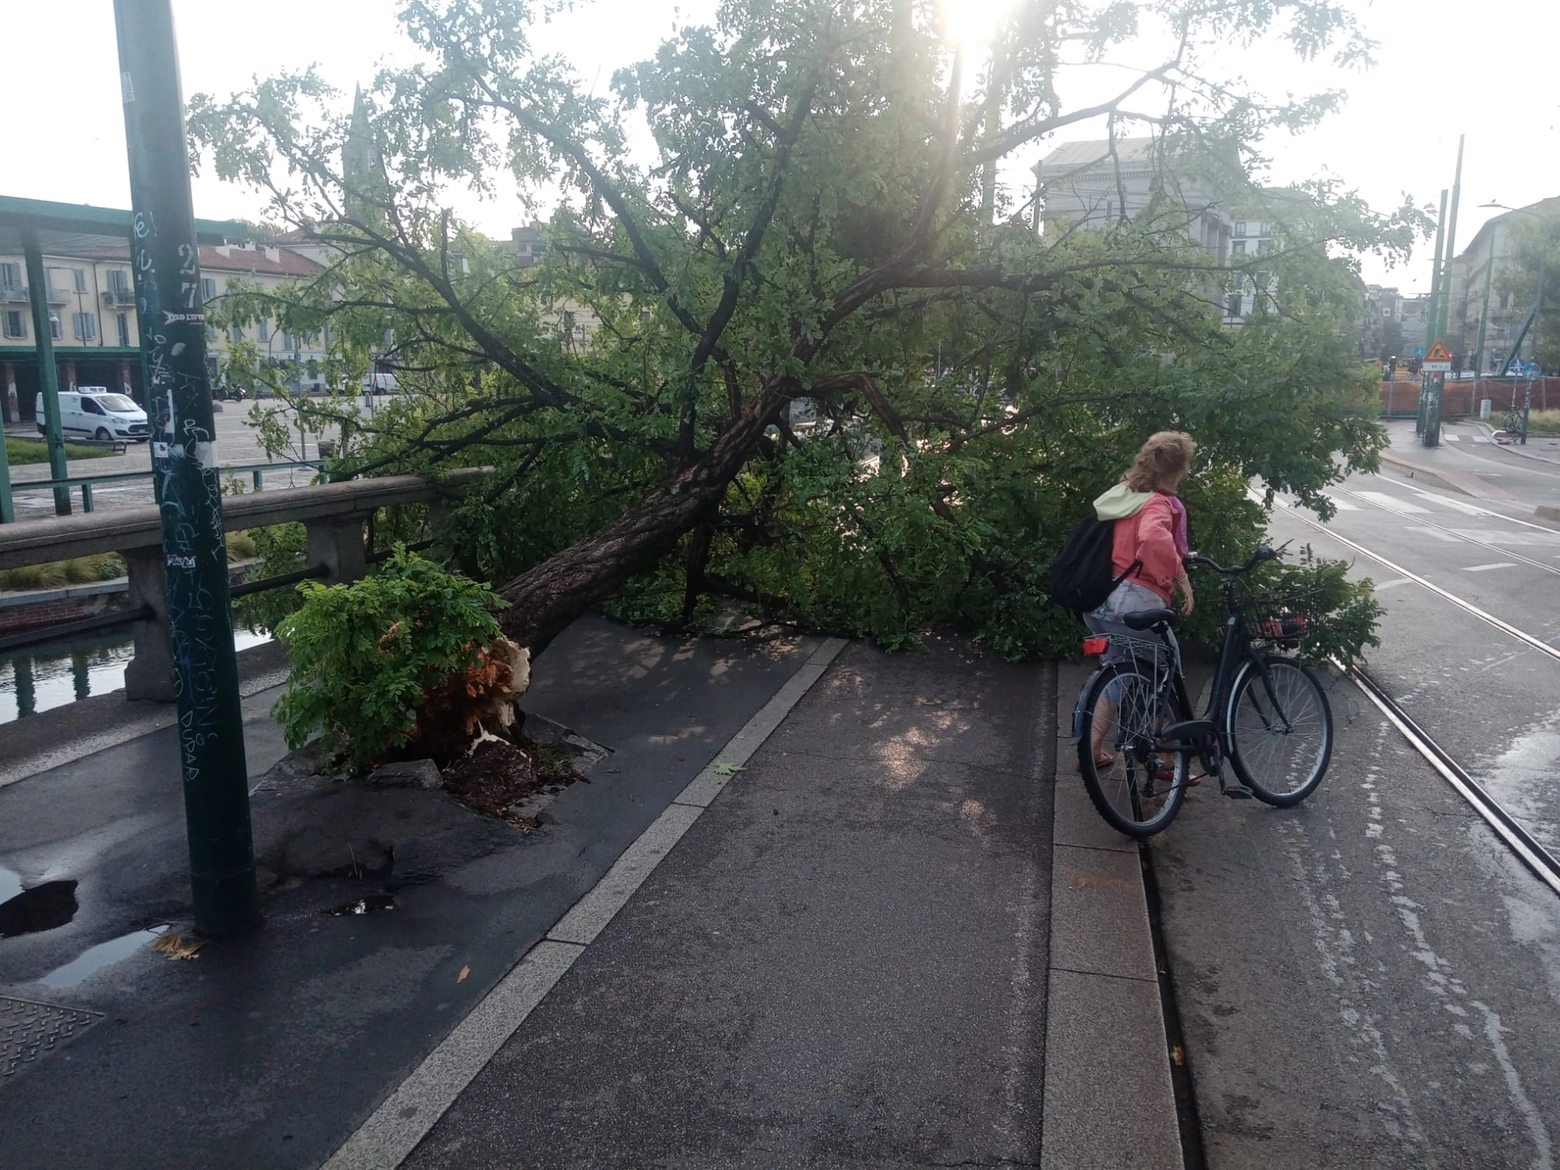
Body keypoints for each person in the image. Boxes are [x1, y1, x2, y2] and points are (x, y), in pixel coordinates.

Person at [1083, 430, 1196, 772]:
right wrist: (1181, 578)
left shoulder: (1125, 495)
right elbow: (1151, 538)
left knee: (1118, 673)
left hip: (1099, 603)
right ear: (1179, 469)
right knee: (1167, 668)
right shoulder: (1157, 503)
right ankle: (1164, 756)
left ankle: (1090, 750)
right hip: (1133, 604)